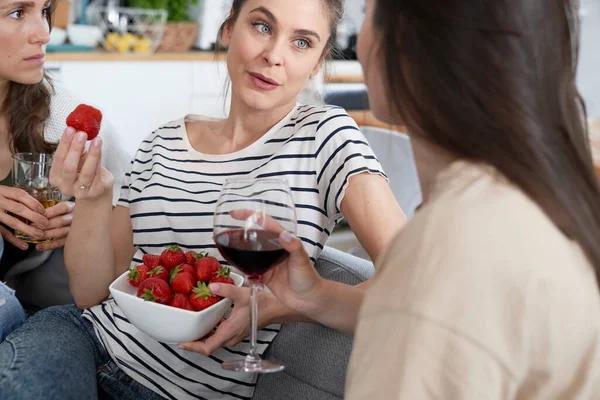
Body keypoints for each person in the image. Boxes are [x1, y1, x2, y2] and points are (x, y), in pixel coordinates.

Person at [0, 0, 406, 399]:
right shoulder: (162, 141)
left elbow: (415, 284)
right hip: (82, 338)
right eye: (262, 26)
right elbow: (92, 294)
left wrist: (292, 304)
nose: (273, 56)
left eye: (301, 42)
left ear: (318, 61)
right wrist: (94, 195)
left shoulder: (326, 136)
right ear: (229, 29)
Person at [242, 0, 600, 398]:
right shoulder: (532, 206)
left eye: (368, 12)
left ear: (409, 45)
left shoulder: (448, 253)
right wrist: (319, 297)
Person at [0, 0, 130, 341]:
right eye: (17, 13)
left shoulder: (67, 114)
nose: (44, 33)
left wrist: (86, 218)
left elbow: (126, 202)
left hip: (41, 316)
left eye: (44, 11)